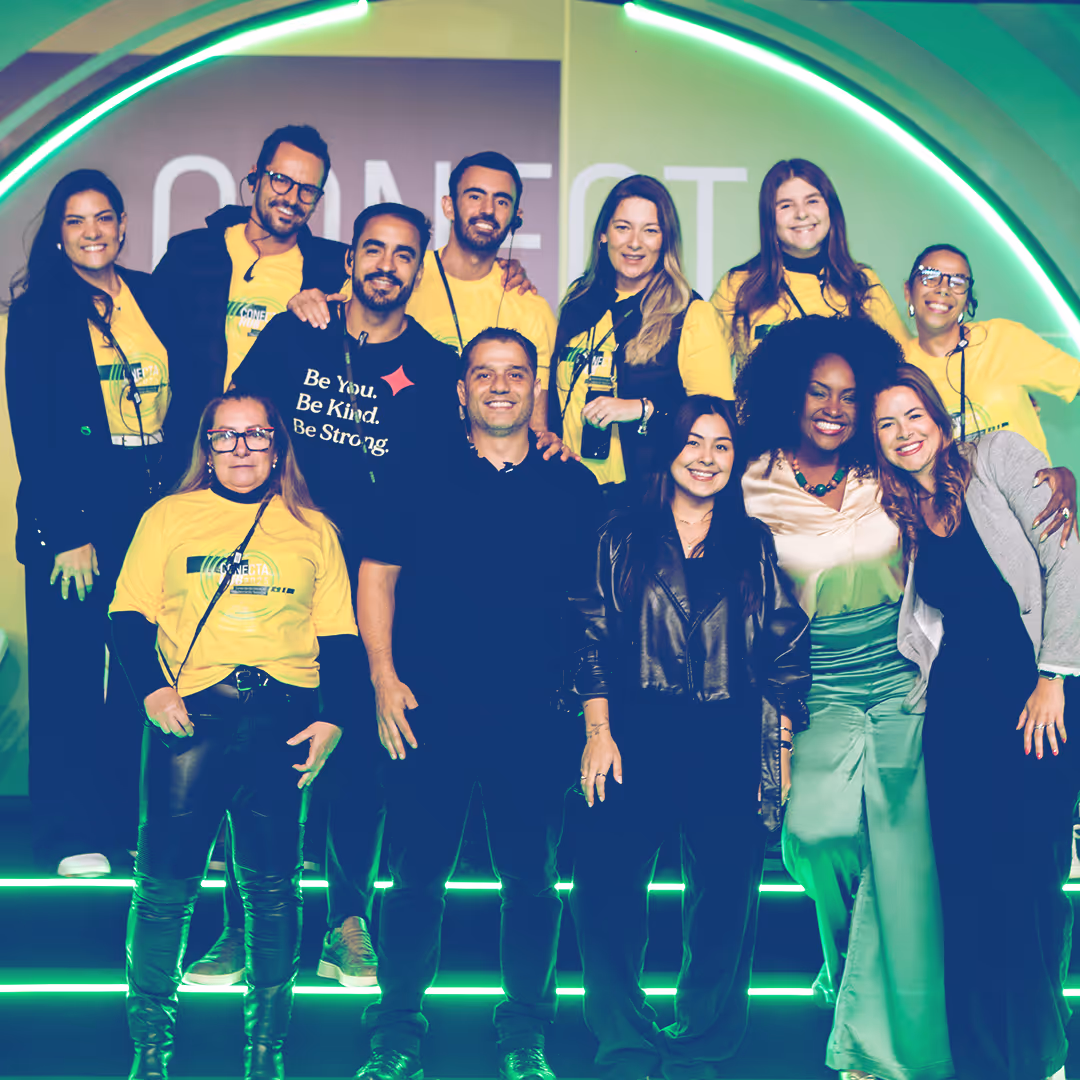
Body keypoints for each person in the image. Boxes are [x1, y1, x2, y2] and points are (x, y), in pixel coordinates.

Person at [735, 314, 1075, 1080]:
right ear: (794, 398)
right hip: (830, 681)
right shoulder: (756, 481)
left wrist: (1060, 477)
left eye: (855, 398)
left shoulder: (896, 477)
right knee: (816, 835)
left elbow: (1034, 539)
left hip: (915, 678)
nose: (836, 408)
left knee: (932, 864)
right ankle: (841, 960)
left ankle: (908, 1046)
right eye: (819, 393)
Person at [203, 203, 460, 991]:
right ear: (347, 259)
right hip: (272, 580)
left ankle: (346, 923)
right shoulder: (295, 332)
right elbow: (236, 430)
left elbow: (458, 462)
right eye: (373, 249)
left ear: (420, 270)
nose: (387, 264)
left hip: (373, 590)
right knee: (254, 755)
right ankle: (240, 928)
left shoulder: (440, 365)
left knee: (356, 760)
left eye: (404, 254)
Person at [354, 328, 602, 1080]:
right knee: (416, 876)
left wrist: (594, 715)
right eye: (484, 374)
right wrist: (382, 676)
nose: (500, 386)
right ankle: (396, 1029)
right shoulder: (415, 469)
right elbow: (377, 576)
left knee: (531, 880)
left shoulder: (573, 484)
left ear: (537, 388)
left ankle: (525, 1031)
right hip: (429, 707)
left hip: (536, 715)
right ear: (460, 390)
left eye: (516, 373)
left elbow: (592, 607)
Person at [110, 390, 359, 1080]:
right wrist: (154, 691)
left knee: (274, 893)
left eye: (256, 436)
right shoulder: (169, 517)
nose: (242, 448)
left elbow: (340, 636)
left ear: (278, 446)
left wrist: (333, 718)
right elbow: (127, 619)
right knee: (163, 889)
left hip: (281, 725)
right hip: (190, 722)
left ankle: (264, 1056)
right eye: (227, 437)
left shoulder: (313, 529)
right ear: (207, 446)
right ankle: (151, 1055)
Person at [568, 395, 811, 1080]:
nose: (707, 458)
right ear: (670, 451)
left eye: (722, 446)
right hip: (632, 737)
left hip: (728, 740)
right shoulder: (621, 534)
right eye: (694, 443)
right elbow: (589, 635)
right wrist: (597, 730)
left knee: (726, 899)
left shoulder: (752, 543)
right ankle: (623, 1039)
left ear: (735, 460)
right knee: (607, 893)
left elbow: (785, 647)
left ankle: (703, 1039)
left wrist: (781, 749)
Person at [873, 365, 1080, 1080]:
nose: (904, 434)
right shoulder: (903, 509)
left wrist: (1054, 677)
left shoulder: (999, 457)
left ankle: (1042, 1058)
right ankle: (983, 1065)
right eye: (887, 425)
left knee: (1028, 882)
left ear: (937, 413)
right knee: (964, 890)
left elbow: (1068, 559)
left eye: (912, 415)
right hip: (958, 714)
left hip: (1035, 700)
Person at [5, 168, 174, 877]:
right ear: (59, 234)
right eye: (76, 221)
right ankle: (65, 830)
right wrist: (66, 529)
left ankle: (113, 819)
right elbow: (33, 430)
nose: (94, 231)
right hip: (72, 508)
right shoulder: (41, 308)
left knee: (135, 670)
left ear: (125, 223)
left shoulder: (151, 294)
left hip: (147, 500)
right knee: (69, 669)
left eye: (104, 217)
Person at [287, 151, 555, 431]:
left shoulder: (531, 307)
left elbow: (535, 430)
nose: (487, 209)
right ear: (448, 206)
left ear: (517, 217)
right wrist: (306, 304)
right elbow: (334, 334)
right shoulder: (395, 273)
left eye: (501, 201)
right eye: (475, 196)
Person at [153, 124, 346, 439]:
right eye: (281, 180)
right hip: (191, 449)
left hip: (284, 456)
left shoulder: (332, 271)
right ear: (255, 176)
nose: (292, 198)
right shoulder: (190, 252)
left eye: (307, 189)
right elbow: (147, 338)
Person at [548, 174, 732, 500]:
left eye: (650, 230)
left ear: (665, 241)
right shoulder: (578, 302)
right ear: (603, 235)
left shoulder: (691, 312)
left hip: (645, 500)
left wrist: (642, 408)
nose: (635, 242)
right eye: (623, 227)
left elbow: (717, 419)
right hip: (568, 489)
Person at [712, 159, 907, 369]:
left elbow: (904, 367)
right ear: (769, 217)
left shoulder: (862, 282)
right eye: (786, 205)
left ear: (830, 209)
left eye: (812, 201)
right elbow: (706, 373)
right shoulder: (739, 285)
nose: (802, 213)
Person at [901, 242, 1080, 461]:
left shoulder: (1005, 339)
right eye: (930, 276)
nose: (943, 288)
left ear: (967, 302)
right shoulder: (898, 367)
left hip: (1030, 492)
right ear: (908, 291)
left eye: (958, 281)